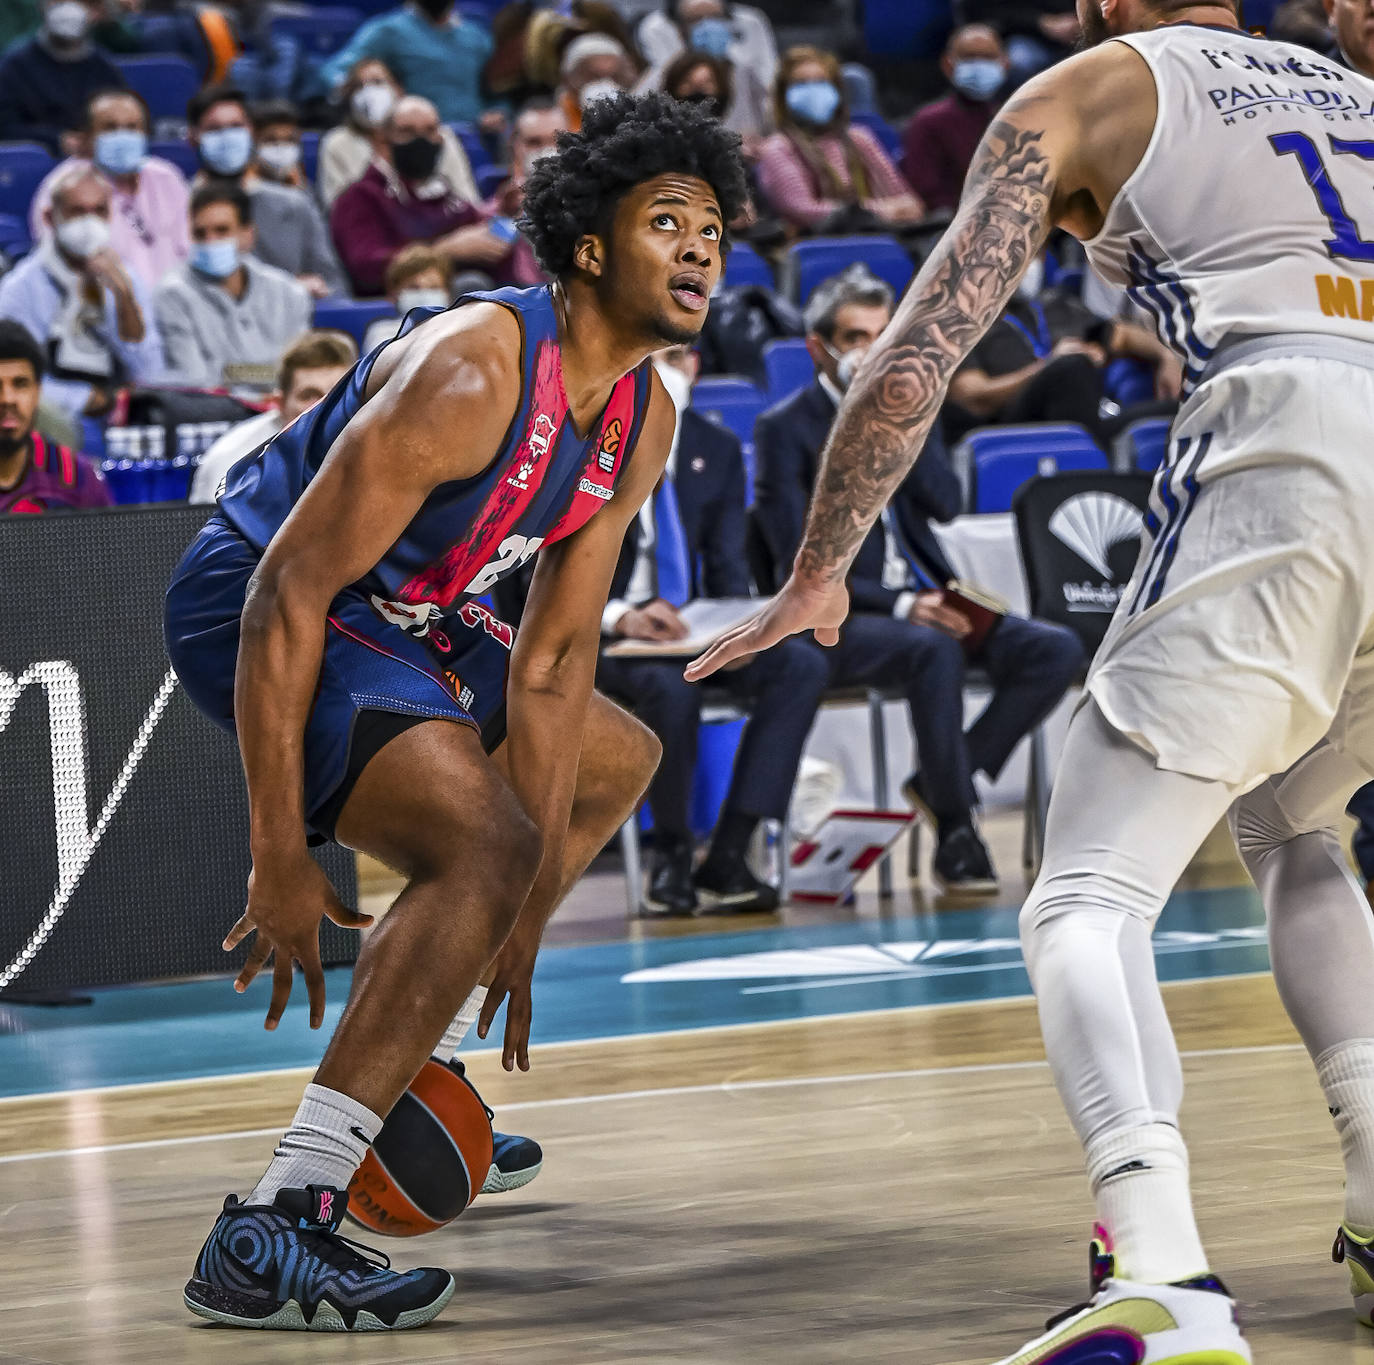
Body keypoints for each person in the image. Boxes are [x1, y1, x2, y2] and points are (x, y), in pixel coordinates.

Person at [690, 1, 1374, 1357]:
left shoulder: (1092, 87)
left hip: (1293, 429)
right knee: (1294, 827)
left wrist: (820, 565)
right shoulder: (1354, 92)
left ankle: (1157, 1271)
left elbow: (917, 353)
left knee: (1084, 888)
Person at [164, 90, 745, 1332]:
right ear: (592, 246)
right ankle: (277, 1226)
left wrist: (523, 925)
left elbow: (553, 660)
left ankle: (399, 1055)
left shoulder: (641, 413)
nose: (702, 246)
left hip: (407, 610)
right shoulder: (474, 368)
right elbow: (284, 594)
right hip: (259, 598)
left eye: (714, 227)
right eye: (668, 221)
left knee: (612, 759)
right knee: (477, 844)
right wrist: (282, 848)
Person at [753, 267, 1082, 893]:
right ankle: (958, 829)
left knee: (1055, 648)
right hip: (844, 615)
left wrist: (903, 421)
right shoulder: (785, 430)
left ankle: (947, 779)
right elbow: (799, 557)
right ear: (818, 348)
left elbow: (945, 503)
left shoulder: (906, 409)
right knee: (931, 648)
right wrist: (904, 604)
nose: (871, 352)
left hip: (931, 593)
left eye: (882, 336)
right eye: (855, 337)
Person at [590, 343, 828, 914]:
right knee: (667, 691)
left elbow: (726, 563)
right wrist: (621, 614)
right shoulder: (584, 444)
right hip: (606, 638)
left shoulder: (712, 447)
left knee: (798, 664)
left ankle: (729, 851)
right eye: (648, 357)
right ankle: (671, 850)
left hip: (693, 629)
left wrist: (741, 626)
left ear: (694, 365)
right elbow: (535, 570)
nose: (663, 370)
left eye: (672, 356)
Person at [943, 245, 1182, 442]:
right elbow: (971, 397)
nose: (1028, 264)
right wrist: (1049, 367)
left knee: (1181, 411)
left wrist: (1167, 357)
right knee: (1071, 369)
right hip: (1018, 430)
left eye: (1035, 254)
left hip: (1089, 423)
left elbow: (1122, 335)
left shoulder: (1054, 304)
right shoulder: (964, 322)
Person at [0, 164, 164, 423]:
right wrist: (83, 398)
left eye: (99, 211)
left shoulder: (125, 278)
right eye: (77, 212)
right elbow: (13, 380)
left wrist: (124, 297)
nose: (89, 222)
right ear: (50, 218)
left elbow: (151, 372)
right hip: (54, 418)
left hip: (123, 412)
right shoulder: (21, 289)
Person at [330, 95, 516, 297]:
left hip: (459, 302)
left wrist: (505, 216)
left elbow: (480, 232)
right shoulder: (360, 197)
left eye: (430, 131)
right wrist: (443, 251)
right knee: (471, 285)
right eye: (407, 131)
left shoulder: (444, 195)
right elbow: (366, 267)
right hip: (397, 307)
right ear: (381, 140)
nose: (421, 141)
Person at [186, 84, 346, 300]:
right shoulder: (180, 205)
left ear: (251, 131)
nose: (227, 136)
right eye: (214, 129)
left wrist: (317, 290)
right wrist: (289, 288)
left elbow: (333, 285)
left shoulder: (295, 204)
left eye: (236, 126)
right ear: (193, 136)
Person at [154, 183, 313, 395]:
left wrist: (229, 371)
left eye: (222, 231)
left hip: (288, 414)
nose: (210, 241)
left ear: (248, 235)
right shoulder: (172, 295)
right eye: (200, 233)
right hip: (216, 416)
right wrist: (270, 373)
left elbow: (302, 372)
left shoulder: (289, 292)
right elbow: (198, 381)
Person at [28, 90, 191, 294]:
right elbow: (58, 266)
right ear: (87, 137)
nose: (123, 136)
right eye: (110, 128)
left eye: (132, 127)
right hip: (100, 308)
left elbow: (191, 252)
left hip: (172, 306)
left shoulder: (167, 178)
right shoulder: (65, 186)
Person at [755, 46, 925, 236]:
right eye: (801, 83)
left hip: (877, 237)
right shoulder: (778, 148)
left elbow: (908, 202)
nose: (813, 90)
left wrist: (873, 212)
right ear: (782, 96)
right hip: (815, 244)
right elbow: (802, 210)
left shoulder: (859, 138)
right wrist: (872, 212)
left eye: (821, 82)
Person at [189, 329, 359, 504]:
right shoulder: (232, 462)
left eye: (338, 394)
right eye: (309, 395)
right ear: (280, 403)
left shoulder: (373, 444)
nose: (325, 407)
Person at [317, 57, 478, 210]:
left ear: (398, 89)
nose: (369, 92)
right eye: (358, 86)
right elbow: (338, 209)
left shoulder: (439, 136)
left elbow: (467, 199)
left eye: (378, 82)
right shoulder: (337, 142)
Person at [320, 0, 495, 127]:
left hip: (475, 135)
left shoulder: (476, 36)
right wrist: (364, 92)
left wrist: (499, 112)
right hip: (414, 133)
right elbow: (335, 70)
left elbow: (497, 91)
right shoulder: (389, 30)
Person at [0, 320, 112, 515]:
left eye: (20, 384)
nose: (8, 399)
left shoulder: (77, 476)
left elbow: (112, 542)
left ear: (38, 392)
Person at [901, 25, 1009, 215]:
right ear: (948, 64)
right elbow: (927, 194)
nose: (979, 65)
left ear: (1005, 64)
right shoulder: (928, 122)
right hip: (949, 226)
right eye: (969, 57)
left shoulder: (1015, 119)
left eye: (988, 57)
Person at [0, 0, 126, 154]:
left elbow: (124, 115)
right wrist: (56, 139)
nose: (69, 8)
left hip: (96, 156)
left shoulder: (102, 66)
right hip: (36, 160)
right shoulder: (15, 65)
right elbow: (6, 127)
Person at [479, 96, 568, 290]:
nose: (546, 151)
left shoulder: (594, 205)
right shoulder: (494, 209)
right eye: (534, 142)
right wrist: (506, 216)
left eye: (556, 141)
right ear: (515, 146)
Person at [637, 0, 779, 93]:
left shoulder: (750, 23)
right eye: (695, 19)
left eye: (716, 17)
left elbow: (770, 84)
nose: (707, 24)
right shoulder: (661, 74)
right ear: (680, 30)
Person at [958, 0, 1082, 84]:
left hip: (1076, 27)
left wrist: (1080, 19)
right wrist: (1041, 22)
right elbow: (987, 11)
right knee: (1020, 61)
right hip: (1023, 34)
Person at [360, 244, 453, 354]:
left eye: (434, 287)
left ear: (447, 293)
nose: (424, 293)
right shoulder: (380, 331)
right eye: (413, 287)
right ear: (394, 294)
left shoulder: (457, 327)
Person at [556, 32, 637, 132]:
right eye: (592, 77)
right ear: (567, 81)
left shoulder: (638, 116)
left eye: (614, 76)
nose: (604, 85)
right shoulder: (553, 119)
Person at [249, 98, 308, 191]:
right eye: (271, 141)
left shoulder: (305, 187)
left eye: (289, 140)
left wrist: (298, 188)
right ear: (255, 140)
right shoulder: (243, 190)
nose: (281, 148)